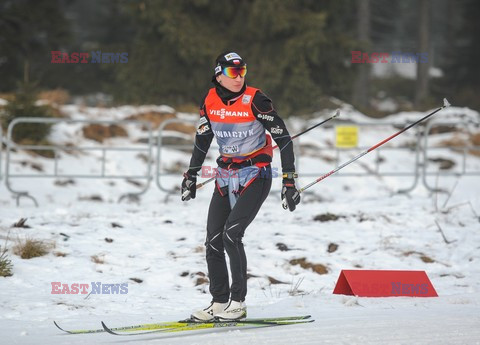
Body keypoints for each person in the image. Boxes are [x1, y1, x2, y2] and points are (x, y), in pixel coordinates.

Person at [181, 51, 300, 321]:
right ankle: (219, 301)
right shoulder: (210, 100)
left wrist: (289, 181)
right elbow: (203, 140)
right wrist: (191, 175)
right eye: (233, 72)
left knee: (232, 235)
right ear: (219, 74)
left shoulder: (256, 99)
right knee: (212, 240)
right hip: (225, 176)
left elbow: (284, 139)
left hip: (255, 174)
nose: (239, 77)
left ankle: (238, 301)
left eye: (243, 71)